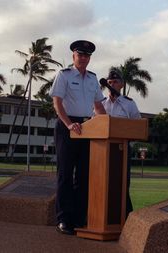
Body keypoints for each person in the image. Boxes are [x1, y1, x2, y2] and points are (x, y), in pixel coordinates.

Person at [50, 40, 106, 235]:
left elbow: (99, 107)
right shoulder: (63, 75)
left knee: (84, 176)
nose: (83, 58)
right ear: (73, 56)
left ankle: (79, 218)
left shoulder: (92, 79)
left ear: (90, 58)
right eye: (80, 55)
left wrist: (107, 125)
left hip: (87, 128)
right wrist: (69, 124)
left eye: (86, 56)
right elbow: (57, 103)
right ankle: (64, 219)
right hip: (67, 126)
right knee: (65, 174)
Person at [101, 70, 141, 216]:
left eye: (115, 82)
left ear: (122, 85)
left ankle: (124, 216)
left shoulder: (128, 104)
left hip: (122, 150)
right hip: (102, 151)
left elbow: (138, 127)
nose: (112, 85)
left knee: (122, 184)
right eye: (109, 82)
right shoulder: (100, 104)